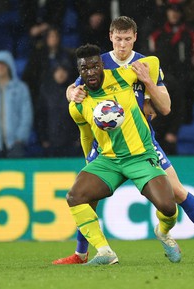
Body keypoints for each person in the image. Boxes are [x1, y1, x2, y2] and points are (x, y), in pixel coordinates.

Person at [53, 16, 194, 265]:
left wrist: (148, 82)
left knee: (177, 193)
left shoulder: (144, 64)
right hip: (106, 145)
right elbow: (74, 90)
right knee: (87, 197)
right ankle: (81, 253)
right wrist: (70, 92)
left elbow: (165, 107)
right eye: (118, 39)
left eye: (127, 39)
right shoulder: (99, 64)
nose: (122, 45)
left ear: (135, 38)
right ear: (110, 37)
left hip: (141, 143)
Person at [66, 43, 181, 265]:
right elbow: (85, 136)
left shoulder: (120, 76)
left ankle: (164, 232)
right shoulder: (78, 104)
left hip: (140, 155)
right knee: (75, 196)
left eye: (94, 66)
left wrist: (148, 87)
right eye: (84, 69)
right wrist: (88, 162)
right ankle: (104, 252)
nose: (90, 72)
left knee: (168, 207)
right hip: (109, 161)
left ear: (102, 65)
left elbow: (154, 62)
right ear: (79, 73)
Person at [149, 1, 194, 154]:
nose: (173, 14)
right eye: (171, 10)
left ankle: (172, 138)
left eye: (177, 11)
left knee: (176, 120)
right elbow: (150, 60)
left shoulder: (191, 34)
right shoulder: (157, 35)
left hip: (183, 86)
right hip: (160, 84)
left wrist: (189, 79)